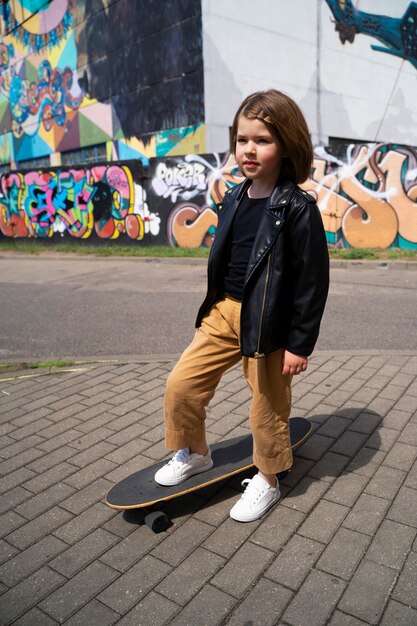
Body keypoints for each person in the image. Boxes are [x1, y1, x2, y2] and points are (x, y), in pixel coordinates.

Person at [154, 89, 329, 522]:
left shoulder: (297, 208)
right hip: (223, 313)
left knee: (267, 406)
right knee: (181, 385)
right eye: (242, 139)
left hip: (268, 323)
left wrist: (299, 343)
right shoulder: (233, 196)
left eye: (262, 140)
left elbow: (311, 282)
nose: (249, 149)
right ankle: (196, 453)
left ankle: (268, 480)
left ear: (287, 144)